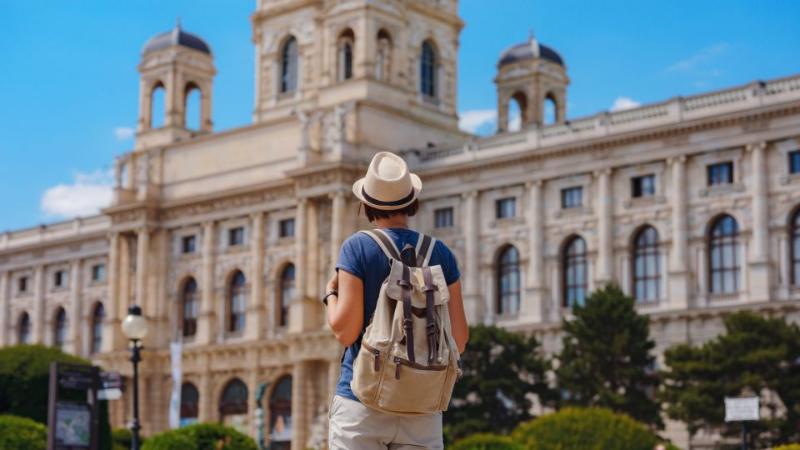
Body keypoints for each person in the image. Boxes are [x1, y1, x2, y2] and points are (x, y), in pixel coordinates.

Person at [323, 151, 469, 450]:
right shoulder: (440, 253)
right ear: (412, 201)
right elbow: (459, 339)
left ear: (366, 204)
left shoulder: (358, 248)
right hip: (422, 406)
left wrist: (330, 295)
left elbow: (345, 332)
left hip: (362, 400)